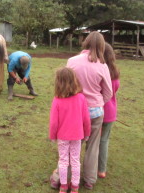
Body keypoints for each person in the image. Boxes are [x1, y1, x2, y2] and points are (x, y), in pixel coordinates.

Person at [66, 31, 112, 190]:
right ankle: (89, 179)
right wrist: (98, 103)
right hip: (95, 112)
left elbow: (66, 87)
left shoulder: (71, 61)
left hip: (75, 111)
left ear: (85, 42)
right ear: (101, 46)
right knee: (93, 146)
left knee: (73, 144)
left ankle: (63, 177)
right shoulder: (103, 65)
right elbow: (108, 92)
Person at [49, 67, 91, 193]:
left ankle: (63, 186)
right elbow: (86, 119)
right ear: (74, 81)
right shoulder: (81, 98)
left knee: (63, 161)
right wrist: (87, 133)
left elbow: (53, 122)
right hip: (77, 135)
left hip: (63, 136)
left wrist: (52, 136)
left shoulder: (57, 100)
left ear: (58, 82)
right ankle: (75, 187)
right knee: (75, 160)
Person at [98, 43, 120, 179]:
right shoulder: (115, 73)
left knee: (93, 141)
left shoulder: (98, 70)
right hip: (110, 111)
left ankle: (91, 168)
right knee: (104, 141)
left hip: (97, 110)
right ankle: (101, 170)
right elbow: (114, 90)